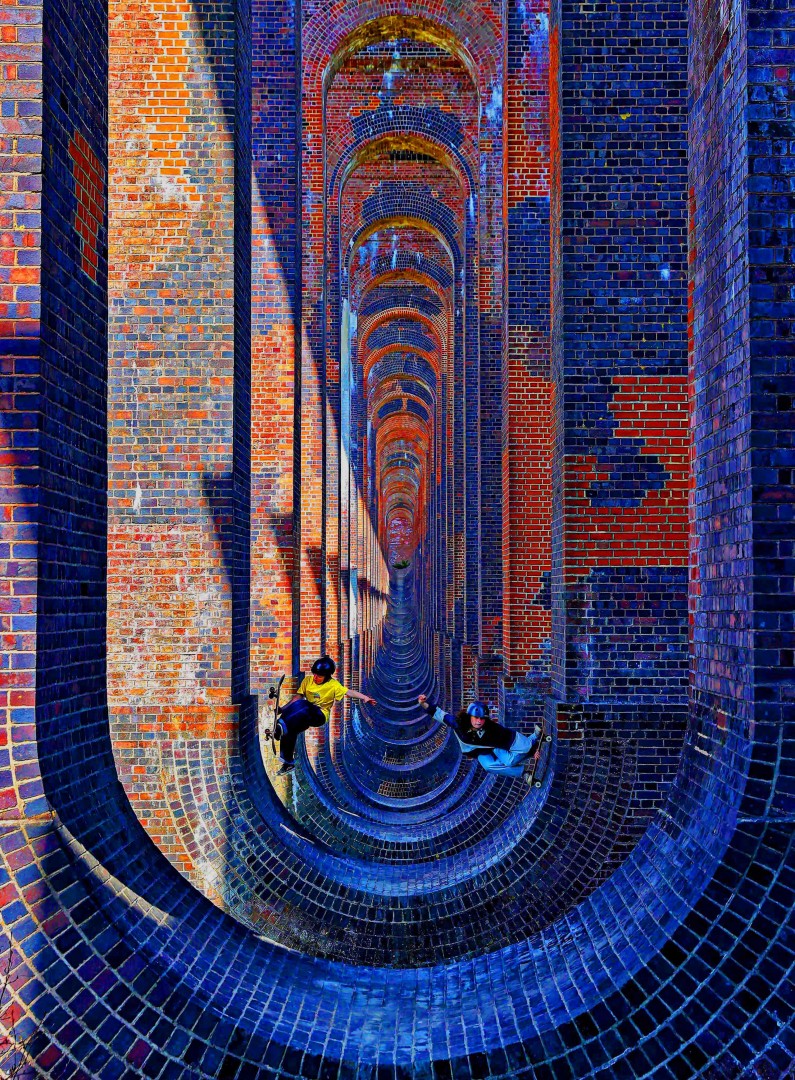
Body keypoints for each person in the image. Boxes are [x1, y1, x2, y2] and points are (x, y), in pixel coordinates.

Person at [274, 656, 376, 774]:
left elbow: (348, 692)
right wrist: (282, 709)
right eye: (315, 675)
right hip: (304, 714)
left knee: (305, 705)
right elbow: (297, 698)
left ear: (327, 676)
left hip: (320, 715)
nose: (316, 678)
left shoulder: (333, 685)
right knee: (291, 728)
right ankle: (288, 762)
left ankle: (280, 727)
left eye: (320, 676)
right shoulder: (307, 680)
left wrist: (365, 697)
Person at [417, 694, 541, 780]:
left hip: (494, 747)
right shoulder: (458, 723)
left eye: (482, 719)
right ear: (470, 716)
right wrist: (423, 703)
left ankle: (533, 739)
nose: (479, 721)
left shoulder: (491, 728)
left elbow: (511, 738)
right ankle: (523, 773)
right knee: (488, 766)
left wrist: (532, 749)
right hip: (479, 752)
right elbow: (438, 713)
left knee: (509, 761)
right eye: (476, 718)